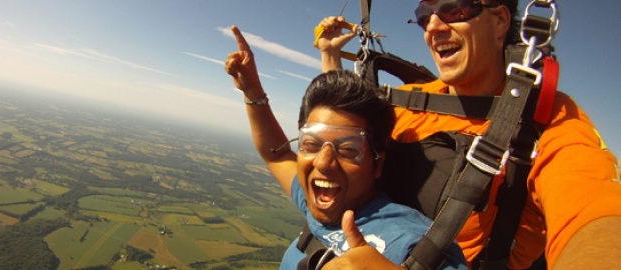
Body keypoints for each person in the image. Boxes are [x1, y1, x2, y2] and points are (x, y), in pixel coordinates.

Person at [315, 0, 621, 269]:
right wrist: (331, 57)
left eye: (453, 9)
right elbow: (338, 131)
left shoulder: (549, 121)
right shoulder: (410, 100)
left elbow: (596, 220)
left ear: (500, 20)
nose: (433, 25)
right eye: (424, 14)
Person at [225, 25, 467, 269]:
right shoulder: (317, 200)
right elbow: (276, 154)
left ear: (377, 164)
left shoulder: (410, 241)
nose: (323, 162)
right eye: (311, 145)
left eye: (348, 150)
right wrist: (252, 90)